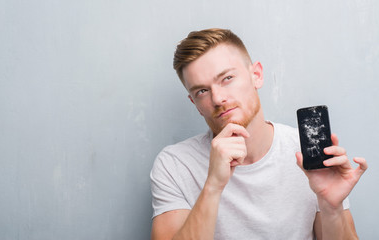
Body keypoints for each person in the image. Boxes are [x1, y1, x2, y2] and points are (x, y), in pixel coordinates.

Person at [150, 28, 367, 239]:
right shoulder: (176, 165)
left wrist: (331, 207)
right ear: (195, 104)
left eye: (227, 78)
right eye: (202, 91)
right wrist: (213, 185)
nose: (217, 99)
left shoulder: (304, 152)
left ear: (256, 75)